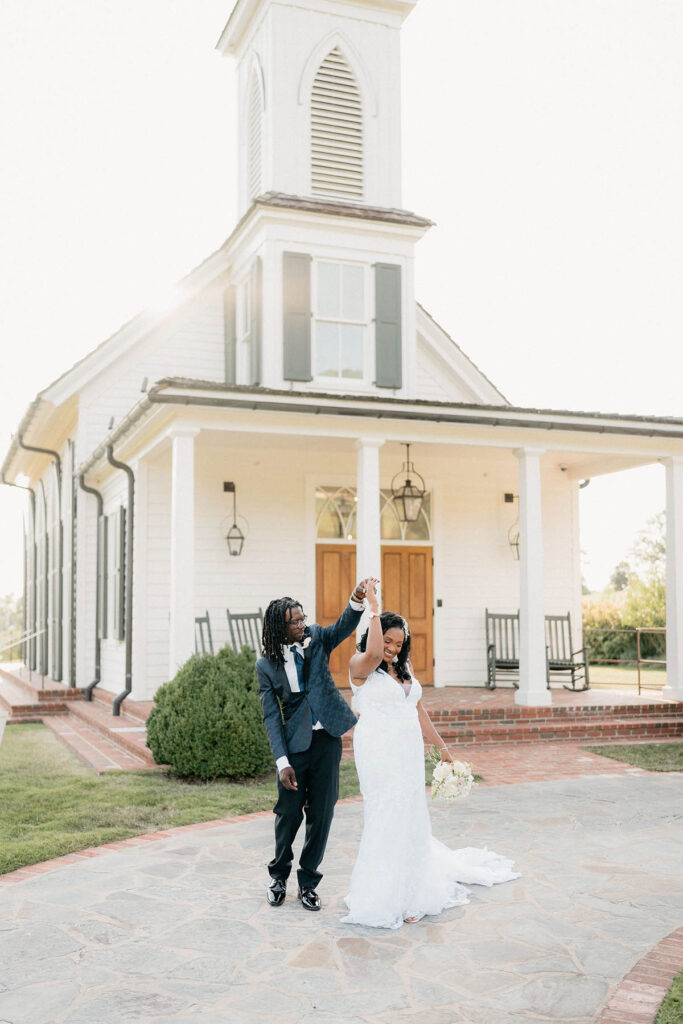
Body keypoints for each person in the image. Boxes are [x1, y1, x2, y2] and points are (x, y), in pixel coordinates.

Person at [343, 582, 520, 929]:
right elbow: (376, 654)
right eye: (388, 641)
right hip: (379, 751)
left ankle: (412, 893)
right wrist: (374, 607)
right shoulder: (360, 666)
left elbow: (419, 711)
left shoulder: (404, 673)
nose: (392, 649)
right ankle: (383, 896)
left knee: (410, 816)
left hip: (408, 752)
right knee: (386, 815)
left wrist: (443, 748)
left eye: (399, 643)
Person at [256, 579, 376, 912]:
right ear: (279, 627)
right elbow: (271, 717)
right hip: (295, 746)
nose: (301, 624)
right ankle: (278, 876)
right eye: (294, 621)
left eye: (302, 618)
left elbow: (343, 627)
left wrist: (356, 598)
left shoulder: (317, 638)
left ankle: (308, 882)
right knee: (288, 813)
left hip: (327, 740)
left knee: (322, 814)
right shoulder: (266, 666)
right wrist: (282, 762)